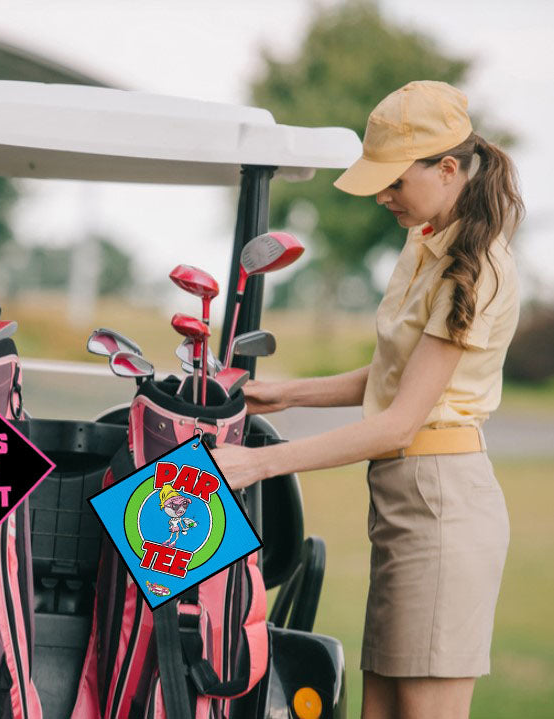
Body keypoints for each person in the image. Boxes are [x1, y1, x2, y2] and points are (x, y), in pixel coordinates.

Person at [212, 80, 523, 719]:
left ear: (446, 169)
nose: (384, 195)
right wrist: (284, 393)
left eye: (394, 182)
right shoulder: (426, 245)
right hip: (405, 500)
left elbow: (399, 422)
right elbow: (390, 376)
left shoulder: (478, 267)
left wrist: (259, 464)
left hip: (441, 506)